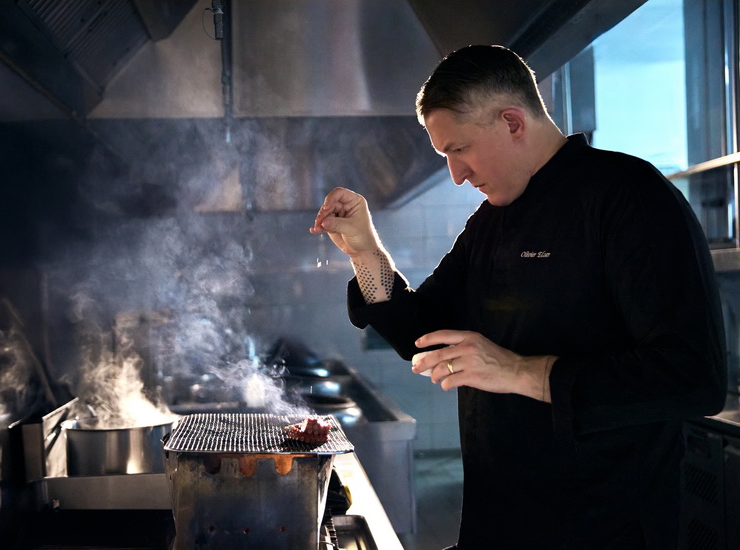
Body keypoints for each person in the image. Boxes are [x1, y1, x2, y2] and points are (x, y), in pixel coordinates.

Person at [309, 45, 727, 549]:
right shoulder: (490, 224)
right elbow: (421, 331)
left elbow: (691, 377)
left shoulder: (630, 196)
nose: (457, 174)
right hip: (497, 520)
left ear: (512, 122)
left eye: (459, 150)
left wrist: (517, 371)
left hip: (603, 528)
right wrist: (365, 252)